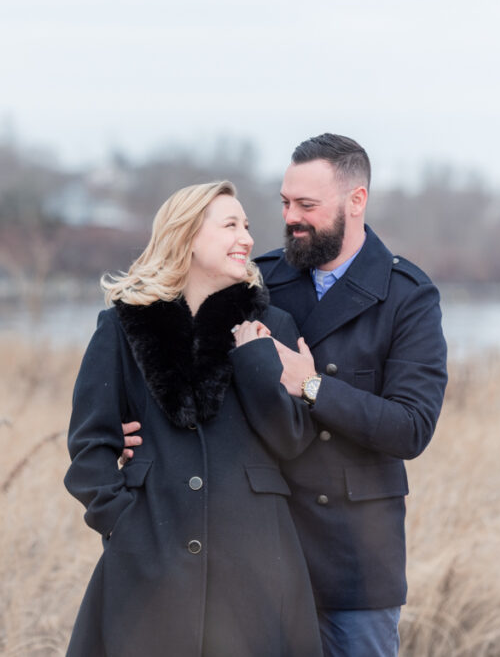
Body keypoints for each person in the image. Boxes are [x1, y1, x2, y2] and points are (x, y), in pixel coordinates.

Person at [122, 134, 448, 657]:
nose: (290, 217)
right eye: (285, 202)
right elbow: (181, 358)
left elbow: (410, 428)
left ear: (355, 201)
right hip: (258, 545)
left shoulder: (407, 296)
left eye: (307, 206)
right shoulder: (258, 280)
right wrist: (134, 424)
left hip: (354, 561)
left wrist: (313, 385)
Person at [63, 181, 324, 657]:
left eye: (246, 225)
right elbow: (89, 445)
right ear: (186, 236)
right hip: (149, 558)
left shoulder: (274, 326)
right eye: (230, 225)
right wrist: (123, 524)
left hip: (258, 565)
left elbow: (291, 442)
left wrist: (257, 360)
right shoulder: (124, 327)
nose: (246, 238)